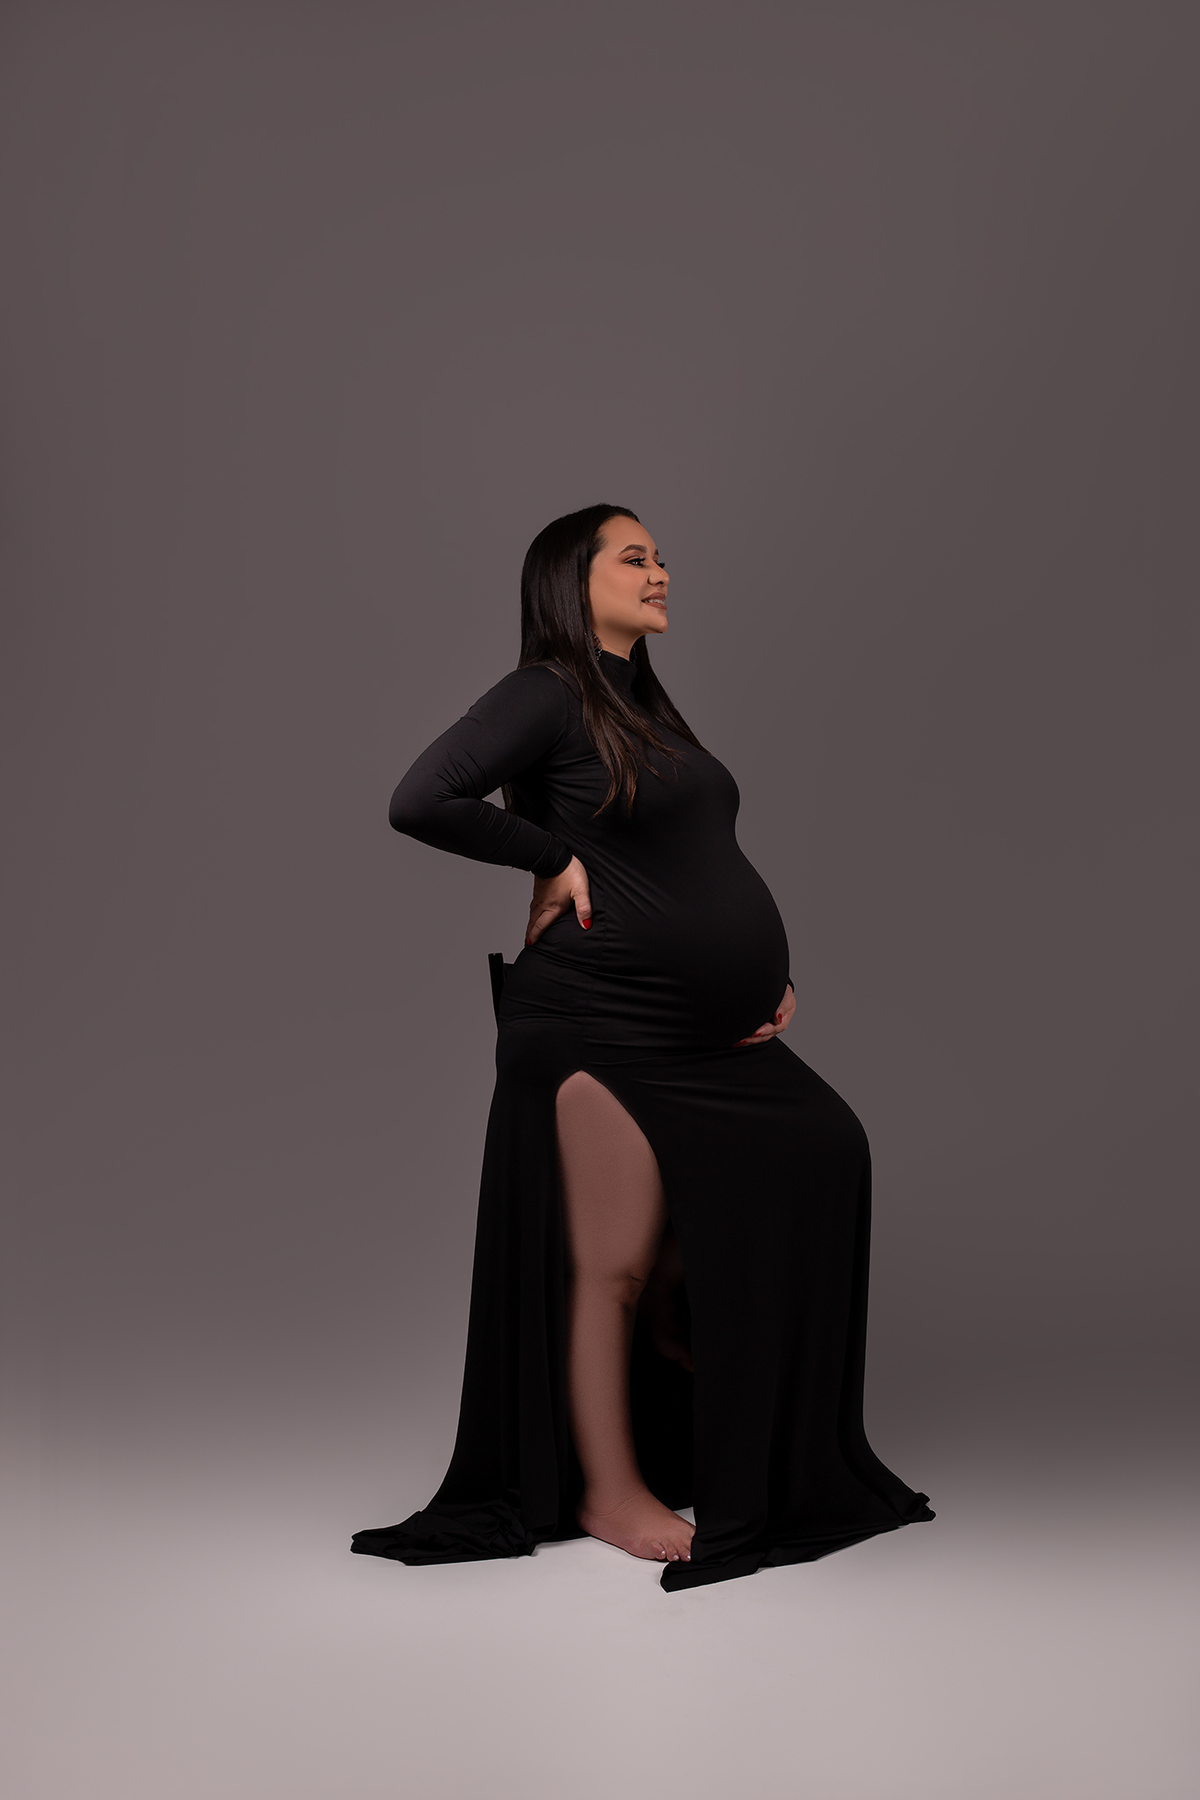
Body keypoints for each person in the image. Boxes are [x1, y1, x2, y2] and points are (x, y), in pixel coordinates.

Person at [351, 504, 932, 1591]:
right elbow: (420, 797)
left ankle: (703, 1420)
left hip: (699, 1026)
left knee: (823, 1148)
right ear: (573, 581)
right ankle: (608, 1489)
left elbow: (686, 857)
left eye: (661, 557)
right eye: (635, 558)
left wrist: (765, 976)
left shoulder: (642, 705)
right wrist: (547, 857)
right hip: (596, 1021)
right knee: (613, 1263)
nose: (660, 572)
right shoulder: (546, 691)